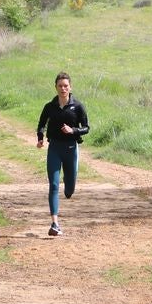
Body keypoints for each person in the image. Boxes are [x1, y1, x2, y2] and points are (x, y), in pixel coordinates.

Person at [36, 71, 89, 236]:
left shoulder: (78, 106)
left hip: (71, 149)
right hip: (54, 149)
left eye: (66, 86)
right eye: (60, 86)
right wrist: (40, 138)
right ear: (56, 87)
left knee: (69, 190)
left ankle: (69, 184)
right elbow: (41, 124)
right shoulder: (49, 106)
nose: (63, 88)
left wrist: (72, 130)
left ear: (70, 87)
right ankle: (54, 223)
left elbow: (86, 128)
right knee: (53, 185)